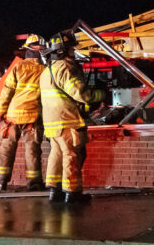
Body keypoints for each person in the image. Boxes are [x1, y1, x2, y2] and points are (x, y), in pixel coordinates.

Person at [40, 31, 104, 203]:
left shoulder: (47, 71)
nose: (73, 52)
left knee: (56, 154)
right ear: (62, 50)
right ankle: (72, 193)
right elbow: (81, 93)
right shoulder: (65, 68)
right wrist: (101, 94)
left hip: (52, 123)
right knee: (71, 155)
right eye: (70, 49)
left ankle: (55, 191)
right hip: (67, 121)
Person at [0, 34, 47, 191]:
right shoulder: (45, 70)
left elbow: (7, 91)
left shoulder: (18, 67)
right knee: (32, 149)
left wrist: (1, 113)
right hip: (33, 117)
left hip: (13, 115)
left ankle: (1, 181)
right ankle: (34, 182)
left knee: (7, 147)